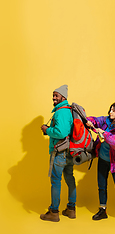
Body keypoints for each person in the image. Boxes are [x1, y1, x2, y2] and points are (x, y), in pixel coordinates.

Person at [86, 102, 115, 225]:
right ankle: (103, 210)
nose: (110, 112)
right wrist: (88, 121)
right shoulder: (106, 120)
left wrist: (103, 133)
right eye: (110, 110)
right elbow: (96, 120)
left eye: (113, 110)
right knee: (101, 186)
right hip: (102, 159)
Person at [40, 85, 76, 222]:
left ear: (63, 97)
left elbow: (61, 132)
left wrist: (47, 130)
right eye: (53, 95)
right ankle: (71, 209)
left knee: (56, 181)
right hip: (69, 151)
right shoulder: (68, 110)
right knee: (69, 178)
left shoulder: (61, 112)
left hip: (60, 152)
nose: (54, 98)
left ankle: (54, 212)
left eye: (57, 95)